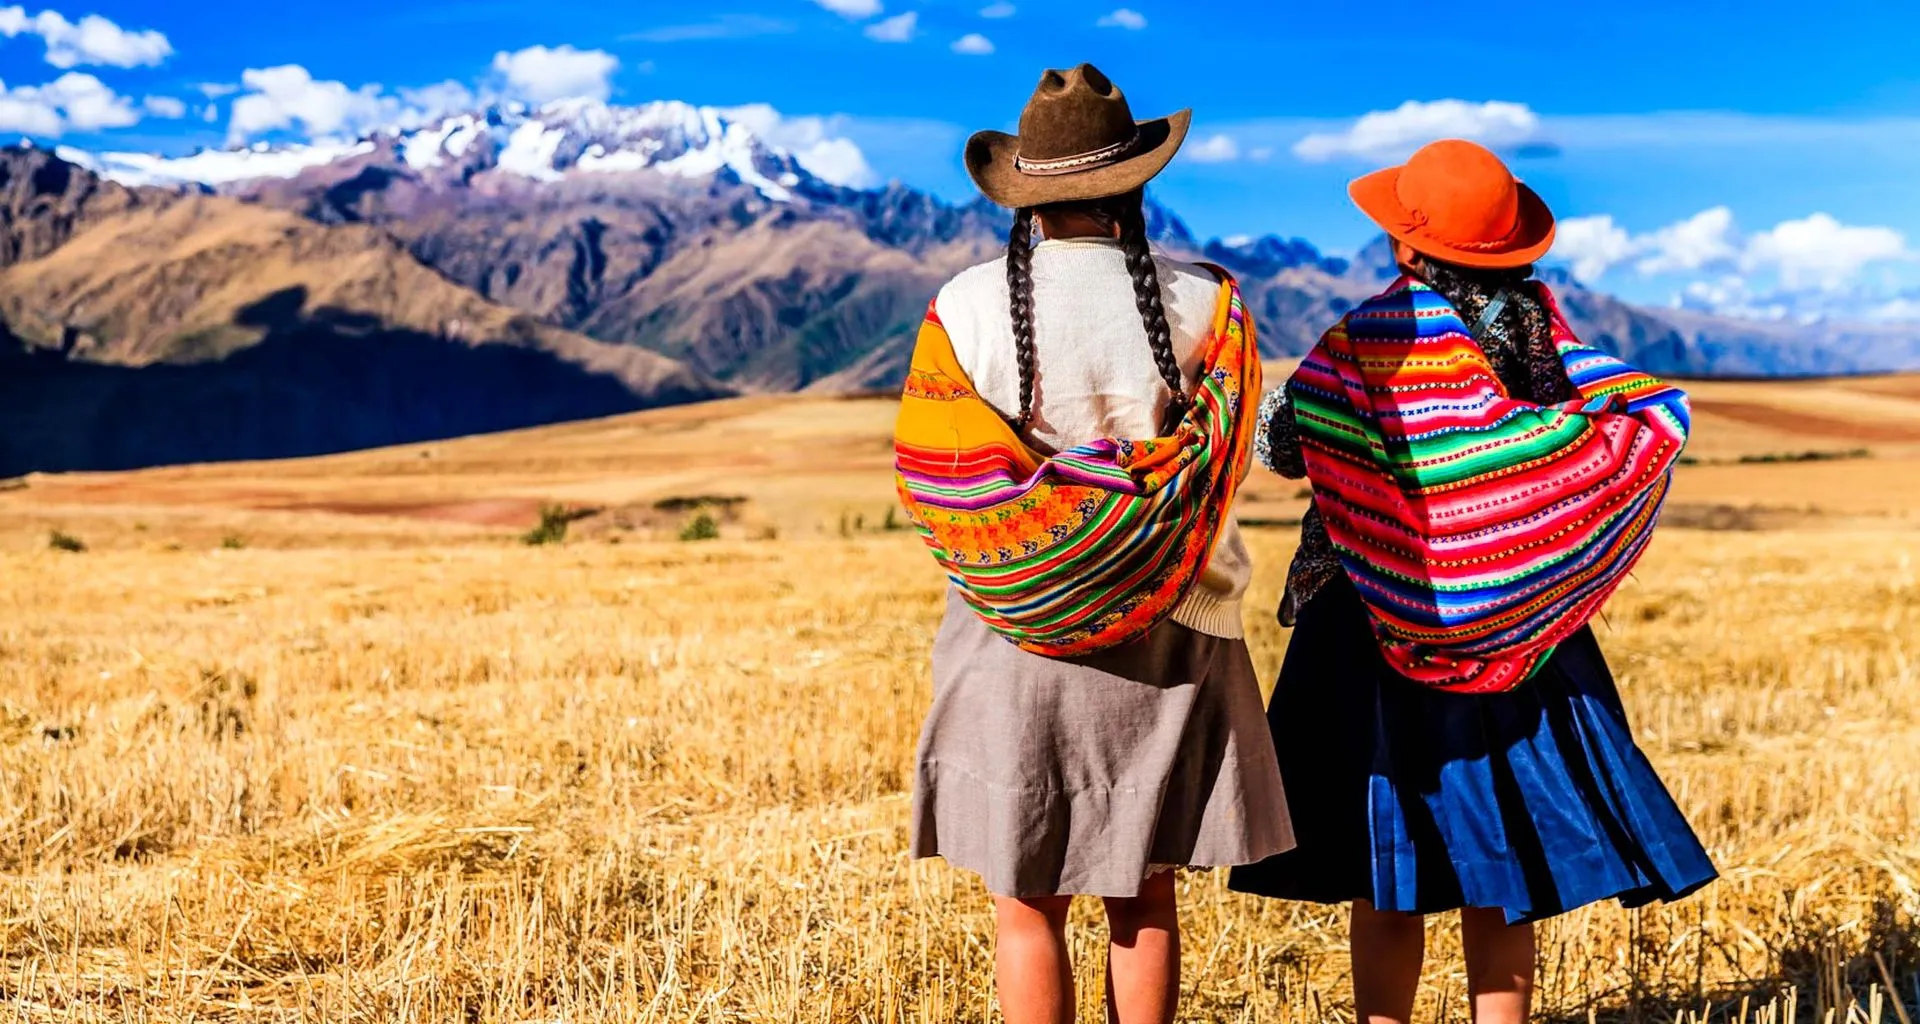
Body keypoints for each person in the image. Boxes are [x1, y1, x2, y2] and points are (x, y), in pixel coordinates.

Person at [1228, 139, 1718, 1024]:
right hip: (1520, 632)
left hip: (1368, 628)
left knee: (1393, 871)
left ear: (1405, 247)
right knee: (1503, 870)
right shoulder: (1547, 335)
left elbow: (1286, 444)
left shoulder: (1367, 339)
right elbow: (1606, 431)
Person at [893, 64, 1293, 1024]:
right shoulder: (1210, 306)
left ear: (1024, 193)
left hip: (1011, 627)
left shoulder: (963, 307)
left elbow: (933, 475)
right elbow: (1234, 454)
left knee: (1025, 903)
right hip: (1177, 623)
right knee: (1146, 891)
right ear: (1137, 182)